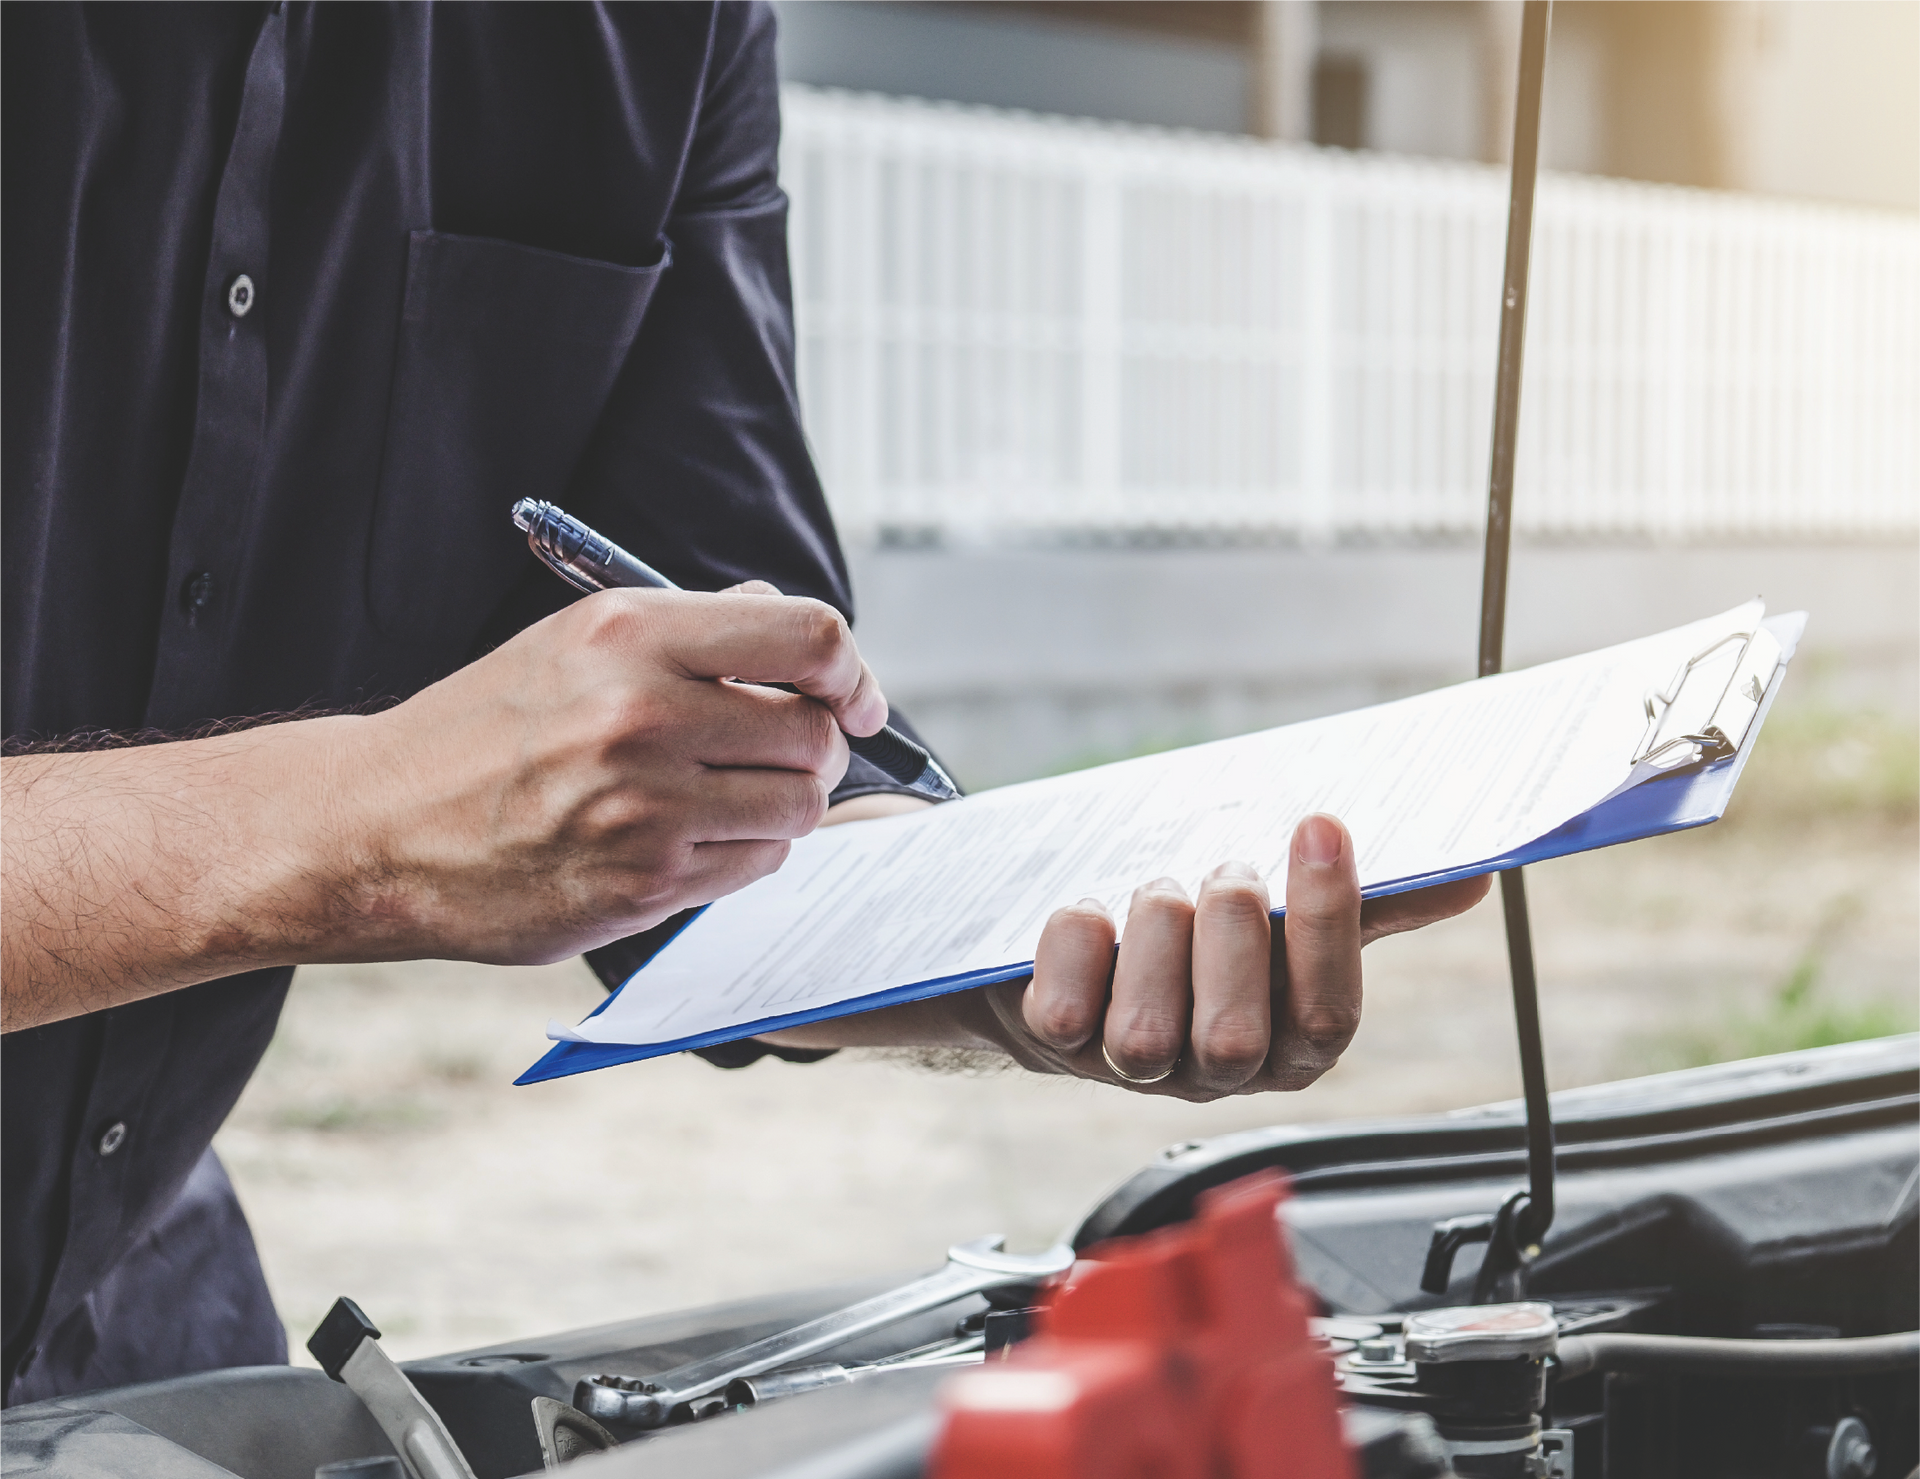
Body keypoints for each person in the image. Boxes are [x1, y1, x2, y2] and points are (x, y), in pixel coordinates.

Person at [0, 3, 1486, 1403]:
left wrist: (1005, 923)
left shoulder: (663, 30)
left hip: (131, 1313)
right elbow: (383, 807)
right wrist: (353, 820)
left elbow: (747, 770)